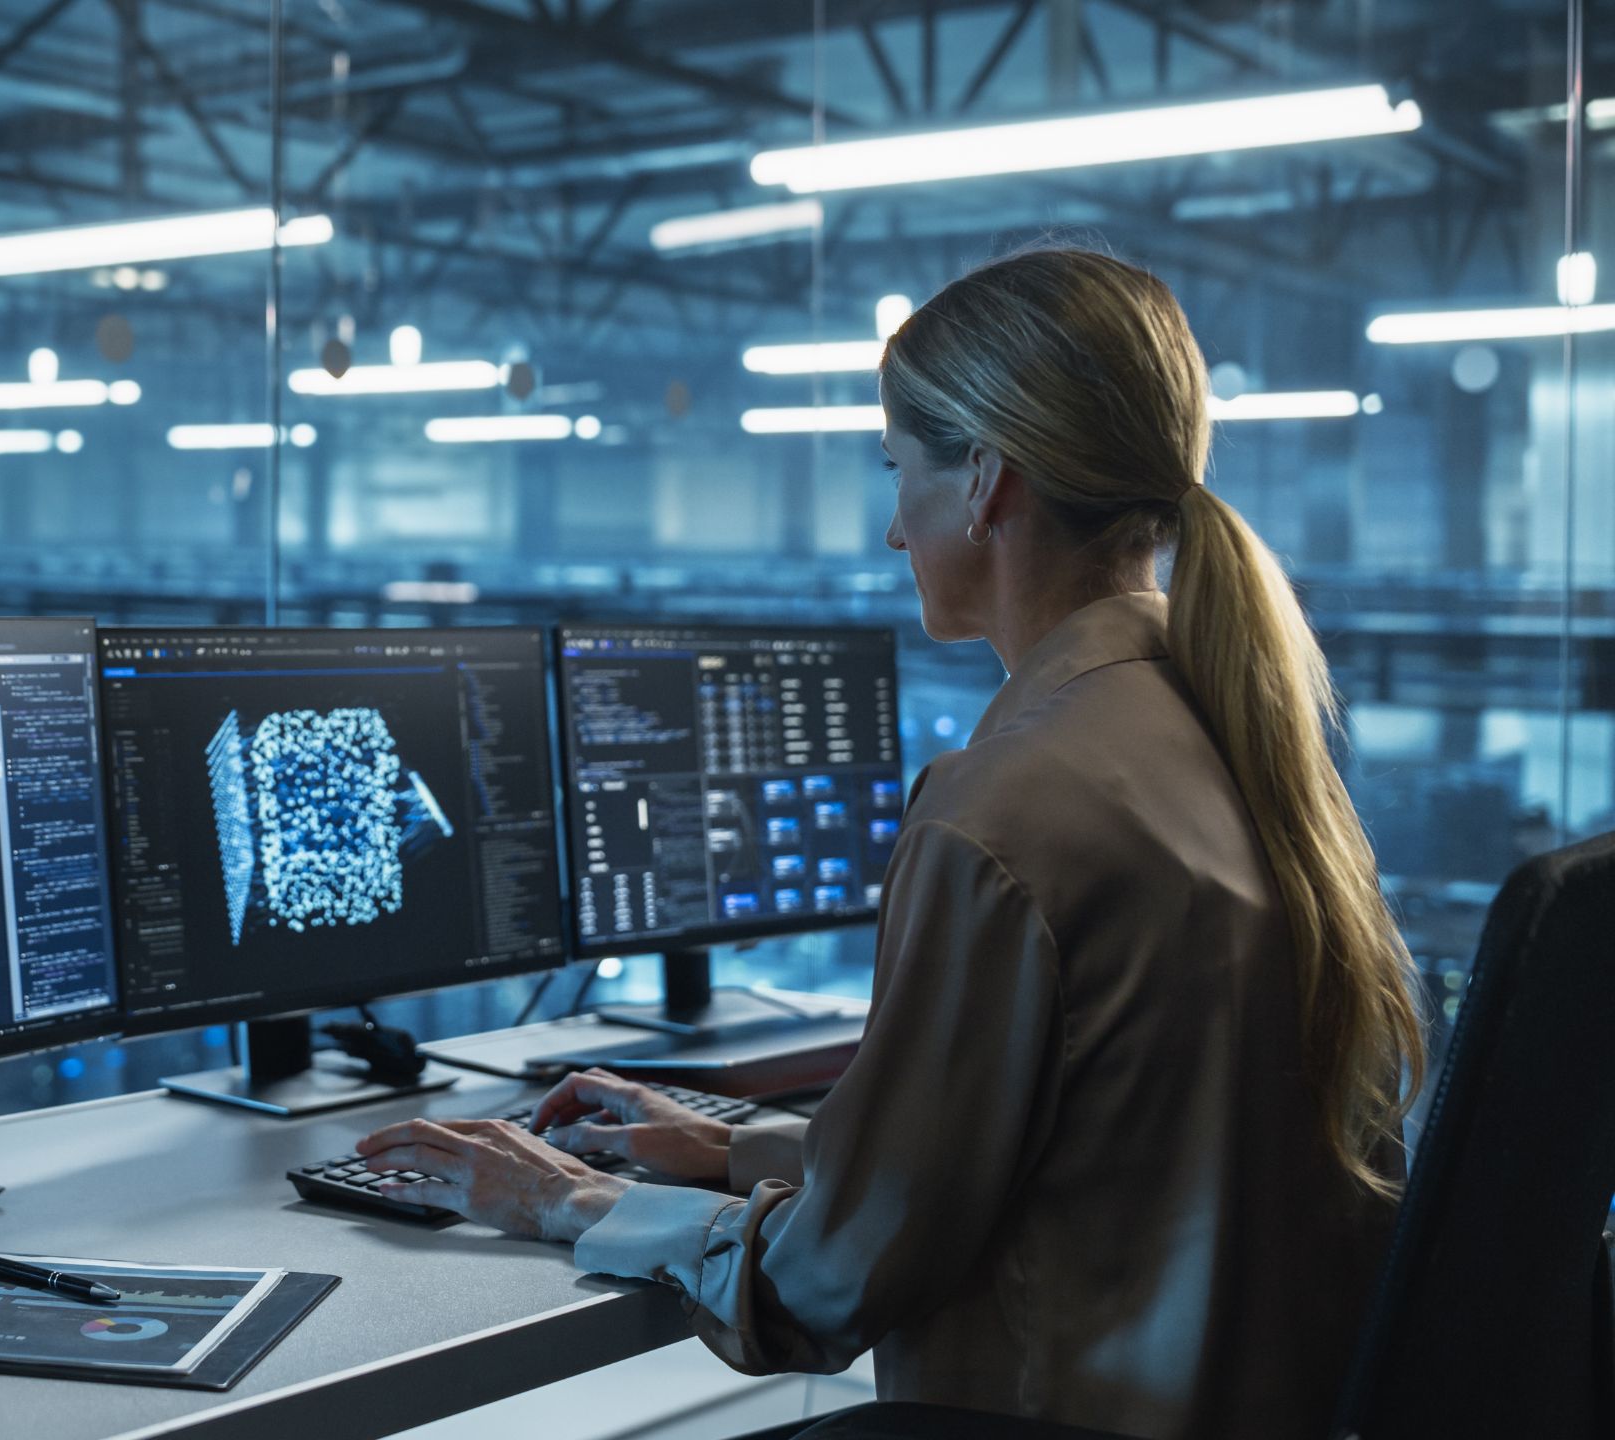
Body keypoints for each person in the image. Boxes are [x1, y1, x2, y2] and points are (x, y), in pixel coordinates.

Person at [358, 247, 1426, 1440]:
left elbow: (823, 1285)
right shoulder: (1242, 741)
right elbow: (1088, 1159)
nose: (890, 529)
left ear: (985, 481)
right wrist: (733, 1148)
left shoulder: (1005, 810)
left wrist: (565, 1199)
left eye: (897, 471)